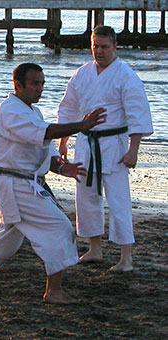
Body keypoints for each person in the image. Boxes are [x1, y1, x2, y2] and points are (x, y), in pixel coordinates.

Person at [0, 63, 106, 305]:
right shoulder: (10, 111)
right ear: (18, 85)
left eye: (42, 84)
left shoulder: (31, 112)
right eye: (34, 84)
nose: (39, 89)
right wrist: (81, 126)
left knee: (6, 241)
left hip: (20, 182)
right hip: (14, 183)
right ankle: (54, 291)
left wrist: (61, 168)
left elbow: (44, 147)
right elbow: (43, 132)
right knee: (59, 227)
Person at [57, 25, 153, 272]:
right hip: (86, 142)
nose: (99, 51)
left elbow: (137, 113)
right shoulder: (82, 73)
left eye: (104, 47)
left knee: (119, 200)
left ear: (115, 47)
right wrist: (64, 140)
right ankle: (95, 248)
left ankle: (126, 257)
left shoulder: (126, 75)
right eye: (95, 46)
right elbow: (69, 107)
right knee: (86, 198)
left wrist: (134, 150)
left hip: (114, 145)